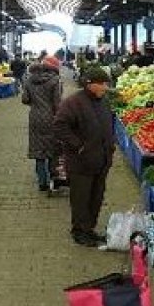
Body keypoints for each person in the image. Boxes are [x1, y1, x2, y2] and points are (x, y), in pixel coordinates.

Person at [53, 67, 115, 247]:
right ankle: (79, 232)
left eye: (106, 83)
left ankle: (90, 229)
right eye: (102, 84)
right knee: (81, 199)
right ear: (90, 84)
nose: (105, 87)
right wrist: (79, 146)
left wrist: (111, 145)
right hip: (81, 163)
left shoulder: (103, 101)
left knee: (96, 198)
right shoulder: (73, 103)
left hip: (101, 160)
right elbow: (59, 126)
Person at [22, 57, 63, 191]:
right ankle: (53, 178)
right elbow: (57, 103)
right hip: (51, 117)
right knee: (52, 149)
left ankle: (42, 182)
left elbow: (25, 99)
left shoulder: (29, 80)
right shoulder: (55, 81)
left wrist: (35, 102)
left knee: (38, 150)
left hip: (35, 118)